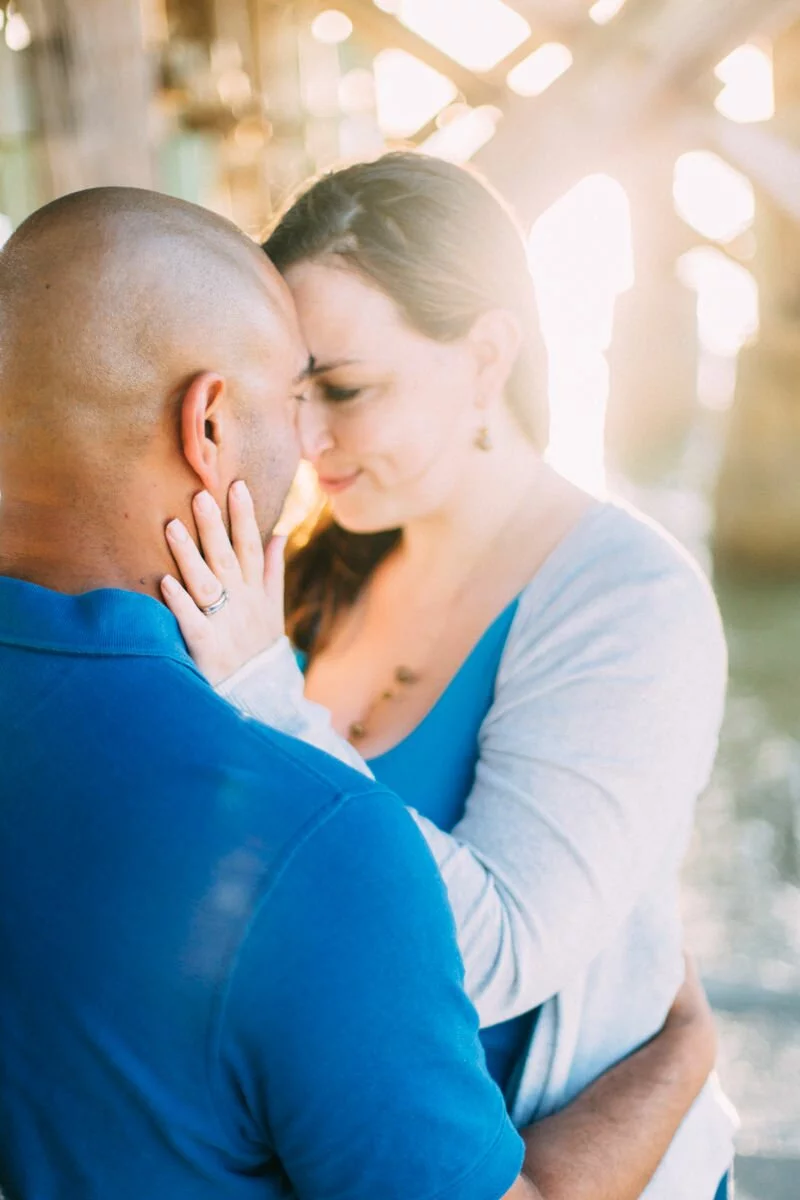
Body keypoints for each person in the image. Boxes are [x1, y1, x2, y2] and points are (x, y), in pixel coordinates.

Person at [0, 187, 716, 1200]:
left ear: (482, 359)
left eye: (343, 388)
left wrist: (262, 689)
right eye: (290, 395)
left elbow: (507, 948)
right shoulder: (292, 568)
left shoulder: (626, 596)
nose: (308, 443)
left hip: (572, 1160)